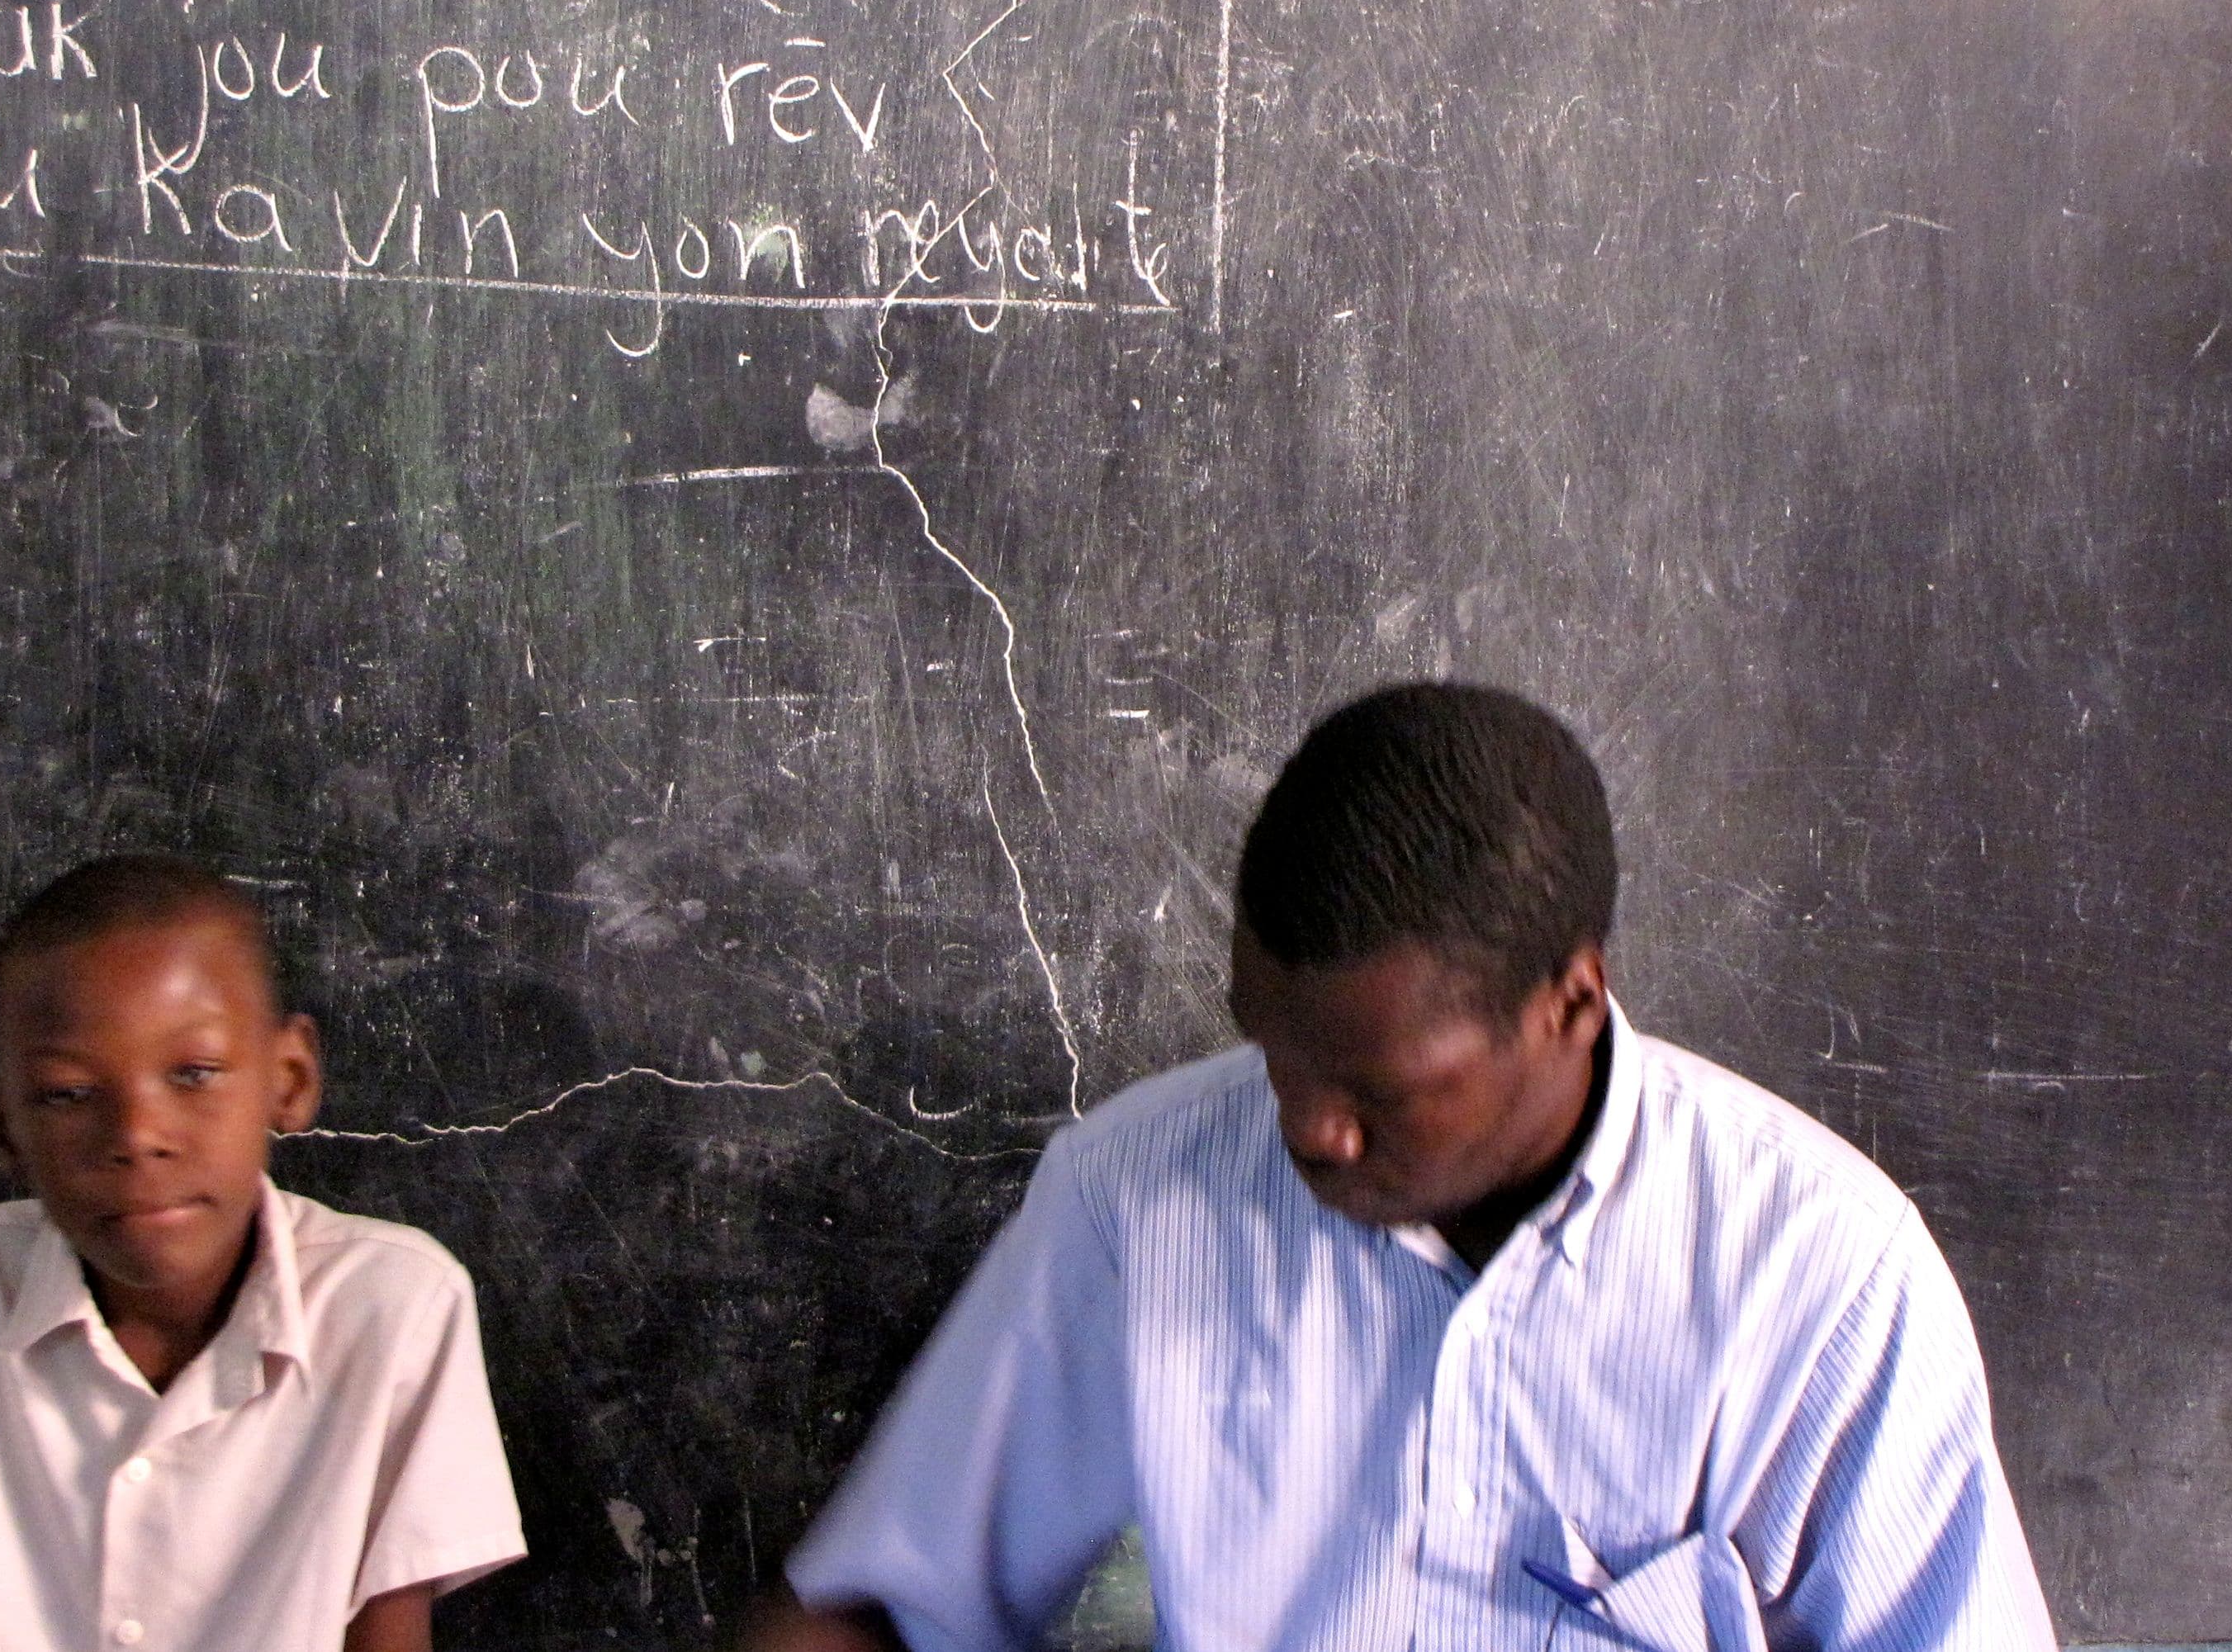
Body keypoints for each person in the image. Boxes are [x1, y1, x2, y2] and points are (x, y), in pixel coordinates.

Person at [753, 682, 2057, 1652]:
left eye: (1377, 1091)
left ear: (1569, 1001)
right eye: (1272, 1052)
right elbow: (873, 1611)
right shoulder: (1137, 1197)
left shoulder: (1815, 1272)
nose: (1308, 1129)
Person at [0, 856, 527, 1652]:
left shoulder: (394, 1306)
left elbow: (390, 1636)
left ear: (290, 1078)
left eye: (193, 1074)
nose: (136, 1135)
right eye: (68, 1092)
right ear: (2, 1128)